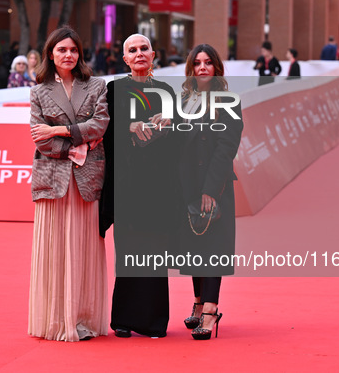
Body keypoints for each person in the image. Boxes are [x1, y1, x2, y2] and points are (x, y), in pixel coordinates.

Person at [28, 26, 109, 342]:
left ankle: (83, 319)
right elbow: (39, 139)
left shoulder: (97, 86)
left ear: (80, 54)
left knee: (84, 248)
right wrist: (79, 142)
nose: (68, 55)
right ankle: (55, 321)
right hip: (53, 179)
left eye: (73, 50)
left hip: (87, 179)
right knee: (55, 249)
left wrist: (59, 131)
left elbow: (100, 124)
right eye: (62, 50)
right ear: (51, 53)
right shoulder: (38, 91)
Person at [100, 33, 179, 339]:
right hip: (127, 184)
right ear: (125, 59)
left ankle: (155, 322)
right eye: (132, 50)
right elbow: (104, 132)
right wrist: (129, 127)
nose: (139, 53)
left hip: (158, 185)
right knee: (129, 252)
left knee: (156, 254)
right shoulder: (114, 89)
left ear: (153, 53)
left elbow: (178, 139)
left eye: (144, 48)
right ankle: (123, 319)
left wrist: (169, 124)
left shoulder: (165, 91)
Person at [177, 44, 243, 340]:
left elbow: (226, 147)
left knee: (212, 247)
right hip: (187, 184)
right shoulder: (184, 100)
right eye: (197, 63)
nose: (202, 68)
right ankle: (198, 300)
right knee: (194, 243)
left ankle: (211, 308)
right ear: (191, 69)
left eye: (208, 63)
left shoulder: (228, 101)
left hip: (213, 185)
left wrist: (210, 190)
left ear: (217, 68)